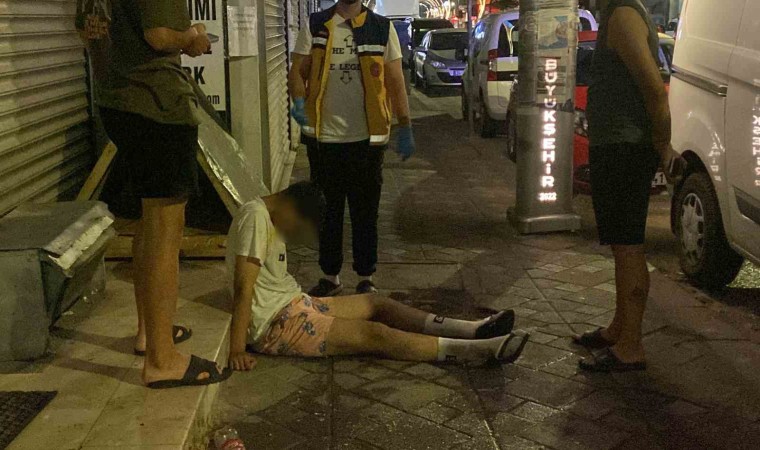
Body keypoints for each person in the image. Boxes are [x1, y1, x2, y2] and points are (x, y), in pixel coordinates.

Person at [75, 0, 232, 388]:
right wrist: (192, 38)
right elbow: (160, 36)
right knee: (165, 232)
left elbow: (85, 29)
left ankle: (151, 333)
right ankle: (163, 360)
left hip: (116, 102)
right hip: (156, 104)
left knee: (148, 223)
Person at [226, 182, 528, 370]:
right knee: (375, 335)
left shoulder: (266, 215)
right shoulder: (255, 218)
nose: (291, 233)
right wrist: (238, 348)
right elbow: (243, 287)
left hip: (295, 303)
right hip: (278, 324)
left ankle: (472, 329)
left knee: (376, 303)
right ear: (290, 205)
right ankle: (477, 351)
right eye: (297, 226)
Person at [575, 0, 685, 372]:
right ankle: (619, 329)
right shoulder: (618, 13)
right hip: (616, 145)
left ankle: (631, 345)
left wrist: (662, 144)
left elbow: (654, 88)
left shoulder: (623, 15)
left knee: (628, 247)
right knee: (621, 245)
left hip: (625, 146)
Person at [287, 0, 415, 297]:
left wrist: (405, 125)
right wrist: (298, 102)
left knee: (365, 214)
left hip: (366, 140)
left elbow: (395, 80)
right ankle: (330, 277)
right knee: (327, 213)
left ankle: (366, 277)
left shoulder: (381, 28)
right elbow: (297, 72)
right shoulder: (316, 24)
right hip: (324, 140)